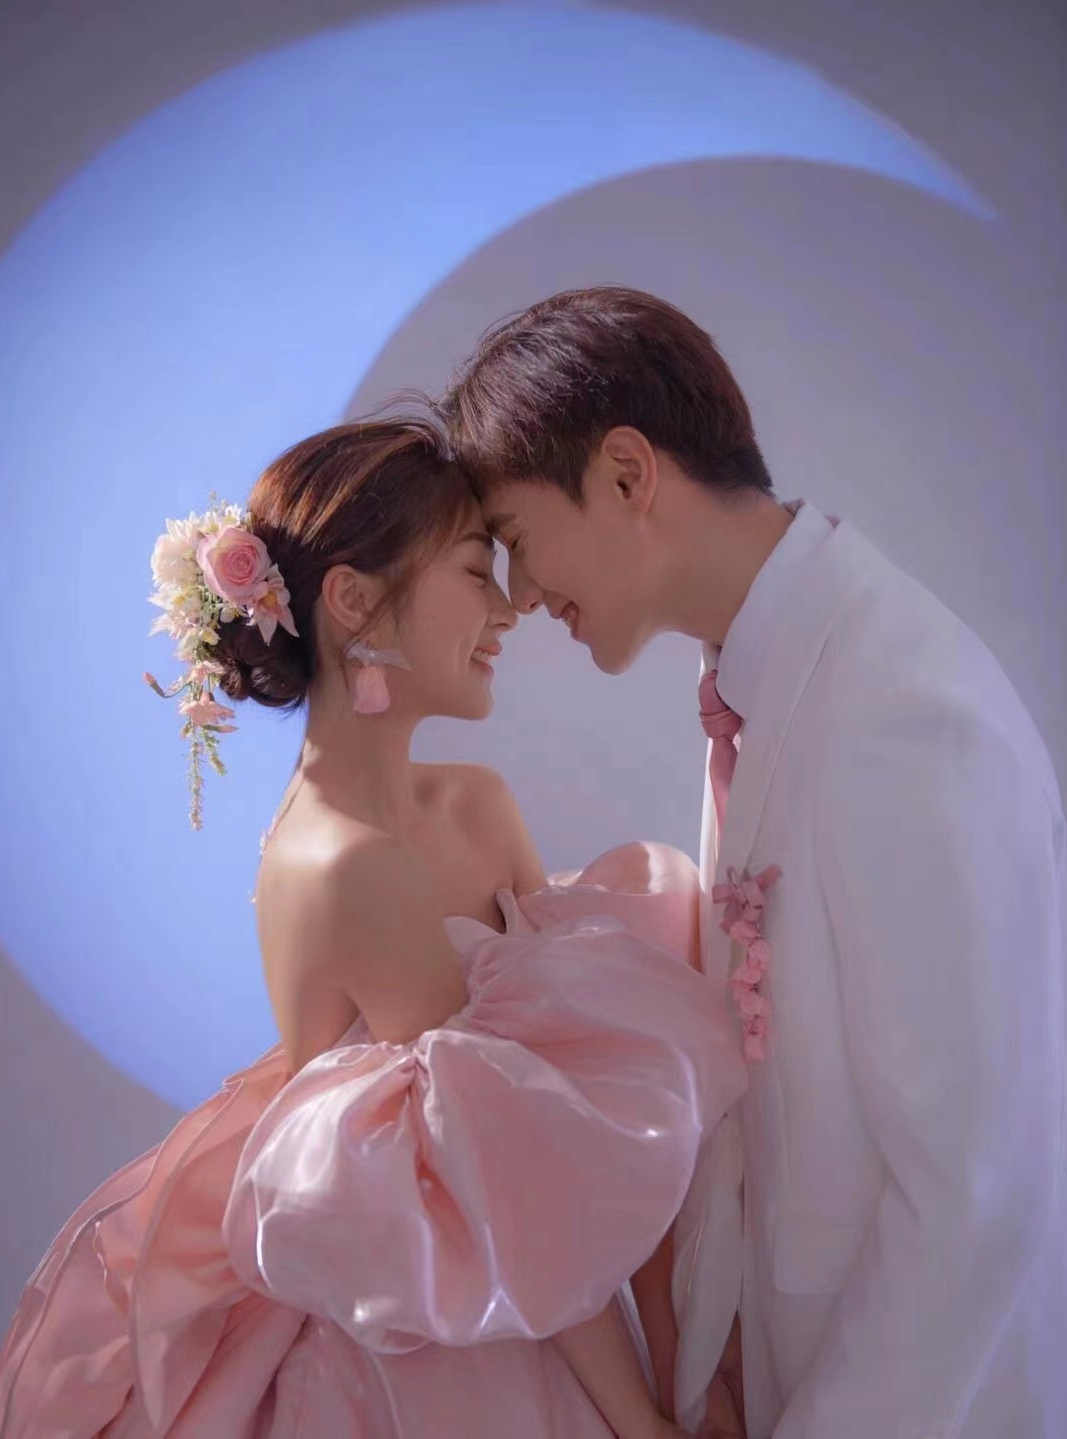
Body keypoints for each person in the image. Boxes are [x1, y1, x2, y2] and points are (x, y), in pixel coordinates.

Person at [0, 417, 749, 1439]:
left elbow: (604, 1112)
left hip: (544, 1283)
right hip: (431, 1346)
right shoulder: (344, 864)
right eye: (475, 571)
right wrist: (641, 1420)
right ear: (352, 600)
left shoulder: (474, 805)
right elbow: (500, 1172)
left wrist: (681, 1366)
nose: (507, 609)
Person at [440, 286, 1067, 1439]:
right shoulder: (757, 682)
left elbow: (979, 1192)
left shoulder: (905, 708)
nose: (522, 599)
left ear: (626, 474)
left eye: (518, 543)